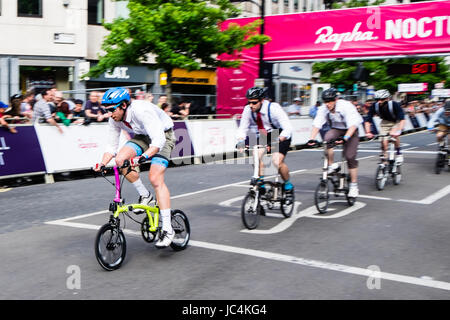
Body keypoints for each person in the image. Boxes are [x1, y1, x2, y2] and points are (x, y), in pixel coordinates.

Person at [93, 87, 176, 248]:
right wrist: (102, 164)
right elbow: (111, 146)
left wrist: (142, 158)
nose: (110, 114)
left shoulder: (141, 110)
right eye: (107, 110)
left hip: (164, 136)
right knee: (120, 160)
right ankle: (146, 196)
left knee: (155, 178)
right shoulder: (114, 119)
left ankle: (167, 229)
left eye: (112, 110)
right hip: (143, 137)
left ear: (123, 105)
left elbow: (158, 141)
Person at [236, 87, 294, 193]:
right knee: (256, 154)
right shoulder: (248, 109)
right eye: (249, 102)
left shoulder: (273, 108)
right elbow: (243, 128)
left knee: (276, 162)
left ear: (262, 100)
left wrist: (278, 140)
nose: (251, 105)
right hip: (265, 134)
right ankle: (260, 182)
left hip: (281, 134)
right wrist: (240, 141)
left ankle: (288, 184)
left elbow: (288, 127)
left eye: (254, 103)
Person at [307, 88, 363, 198]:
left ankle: (354, 185)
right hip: (337, 128)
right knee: (327, 138)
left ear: (336, 99)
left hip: (350, 130)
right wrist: (311, 138)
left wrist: (345, 138)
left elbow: (352, 125)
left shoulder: (345, 106)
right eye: (325, 102)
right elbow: (317, 123)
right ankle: (332, 165)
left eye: (330, 102)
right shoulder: (323, 108)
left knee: (349, 156)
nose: (327, 104)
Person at [364, 89, 405, 164]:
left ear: (387, 98)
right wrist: (368, 132)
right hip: (385, 122)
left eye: (382, 99)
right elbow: (368, 120)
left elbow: (402, 119)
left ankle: (399, 153)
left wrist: (398, 130)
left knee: (394, 136)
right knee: (384, 141)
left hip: (396, 121)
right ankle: (384, 161)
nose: (379, 101)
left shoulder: (394, 104)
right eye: (377, 99)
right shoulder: (374, 105)